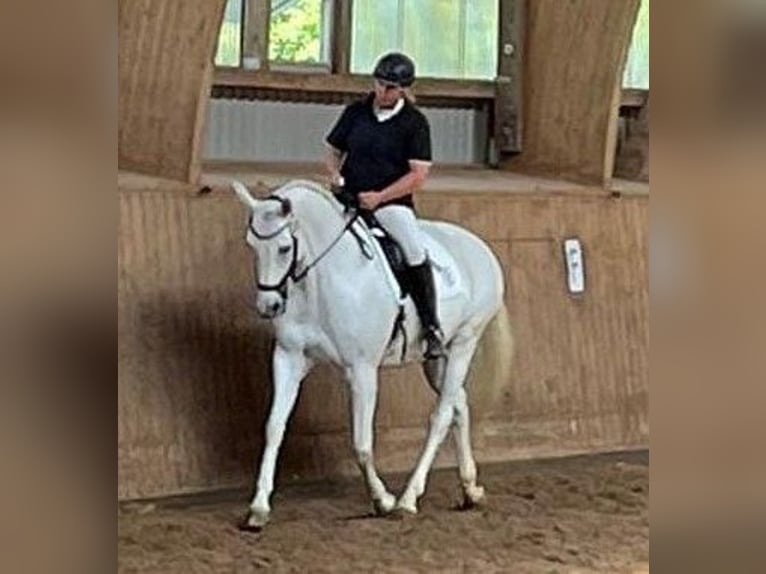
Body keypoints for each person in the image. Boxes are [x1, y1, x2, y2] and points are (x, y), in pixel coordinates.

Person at [324, 52, 446, 361]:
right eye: (379, 84)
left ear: (403, 89)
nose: (382, 92)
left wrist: (380, 197)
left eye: (390, 87)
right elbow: (333, 149)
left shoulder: (414, 123)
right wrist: (335, 174)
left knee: (413, 249)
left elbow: (418, 175)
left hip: (390, 204)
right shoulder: (356, 112)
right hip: (349, 198)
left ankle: (431, 326)